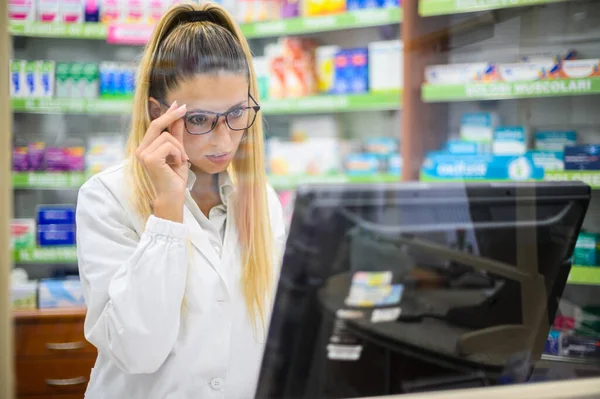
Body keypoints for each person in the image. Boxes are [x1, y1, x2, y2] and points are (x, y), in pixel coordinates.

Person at [75, 3, 286, 398]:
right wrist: (168, 211)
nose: (223, 140)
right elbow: (137, 351)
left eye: (237, 112)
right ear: (158, 113)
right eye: (199, 120)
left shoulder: (263, 202)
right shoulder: (107, 198)